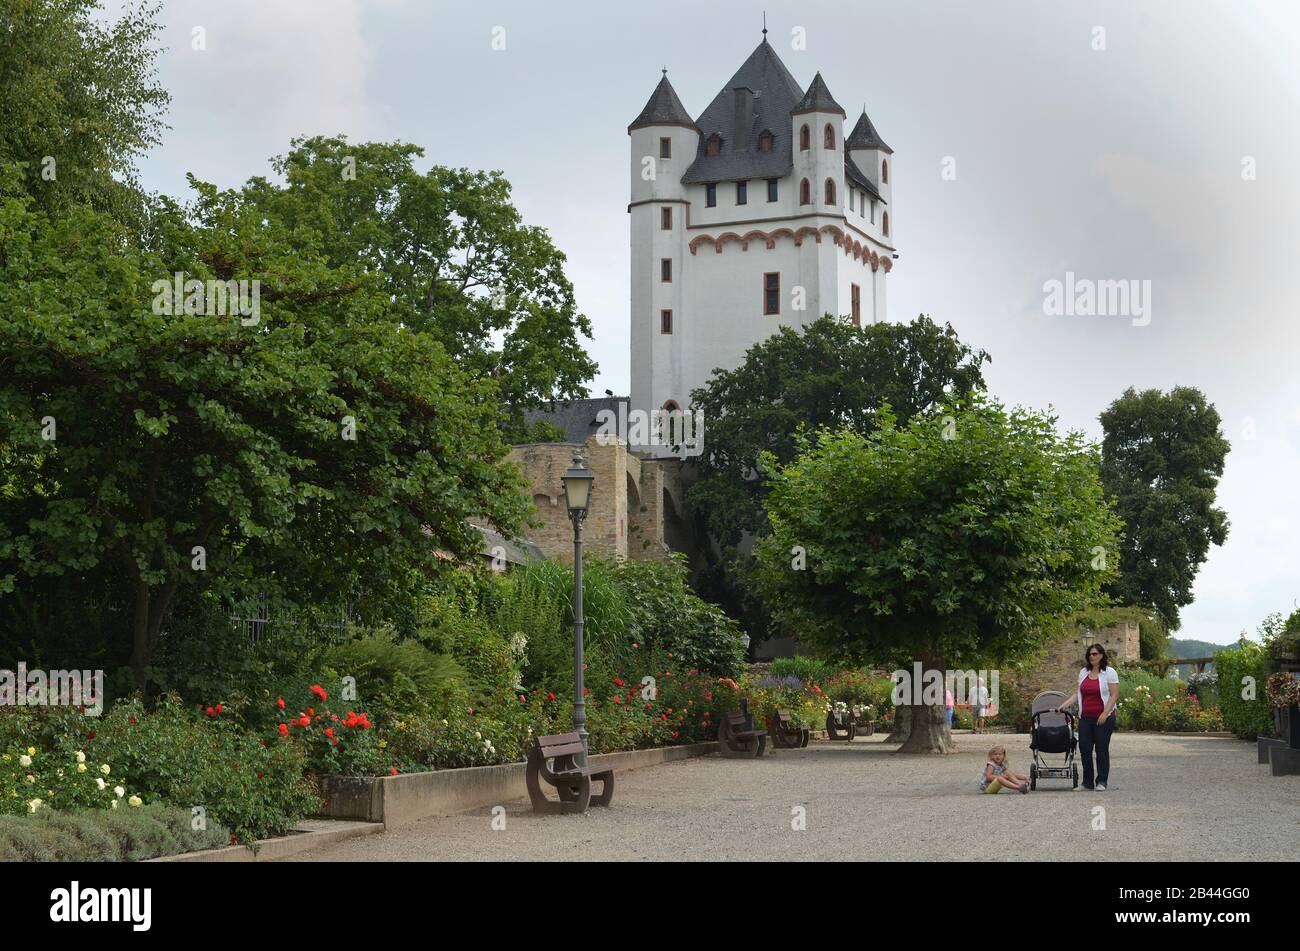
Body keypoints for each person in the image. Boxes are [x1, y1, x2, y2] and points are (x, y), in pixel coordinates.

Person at [1057, 644, 1120, 790]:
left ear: (1102, 655)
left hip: (1104, 717)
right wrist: (1064, 705)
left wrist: (1105, 713)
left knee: (1101, 749)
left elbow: (1114, 694)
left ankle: (1102, 781)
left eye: (1095, 654)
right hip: (1085, 717)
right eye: (1090, 654)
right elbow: (1077, 693)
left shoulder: (1109, 672)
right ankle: (1087, 782)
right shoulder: (1084, 672)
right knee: (1085, 749)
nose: (1092, 656)